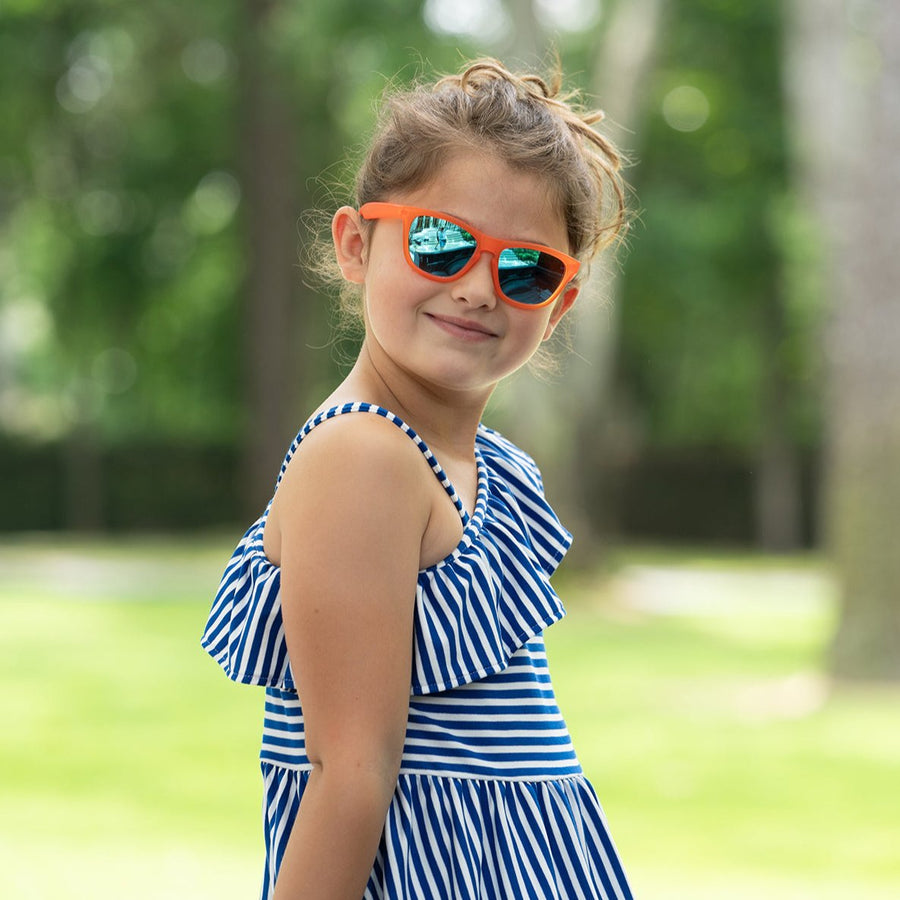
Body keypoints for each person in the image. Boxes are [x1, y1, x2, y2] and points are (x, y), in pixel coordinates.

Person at [202, 57, 632, 900]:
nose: (478, 289)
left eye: (527, 269)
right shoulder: (361, 457)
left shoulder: (490, 468)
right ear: (357, 245)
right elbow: (348, 777)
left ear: (563, 301)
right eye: (441, 244)